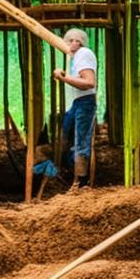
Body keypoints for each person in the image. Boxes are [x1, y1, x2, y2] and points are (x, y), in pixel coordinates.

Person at [53, 28, 97, 189]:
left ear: (82, 43)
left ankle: (81, 181)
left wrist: (64, 78)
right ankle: (69, 172)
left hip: (85, 102)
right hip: (78, 102)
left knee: (81, 140)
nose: (73, 43)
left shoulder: (84, 53)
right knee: (65, 134)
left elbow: (89, 82)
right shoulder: (77, 57)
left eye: (77, 40)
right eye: (69, 40)